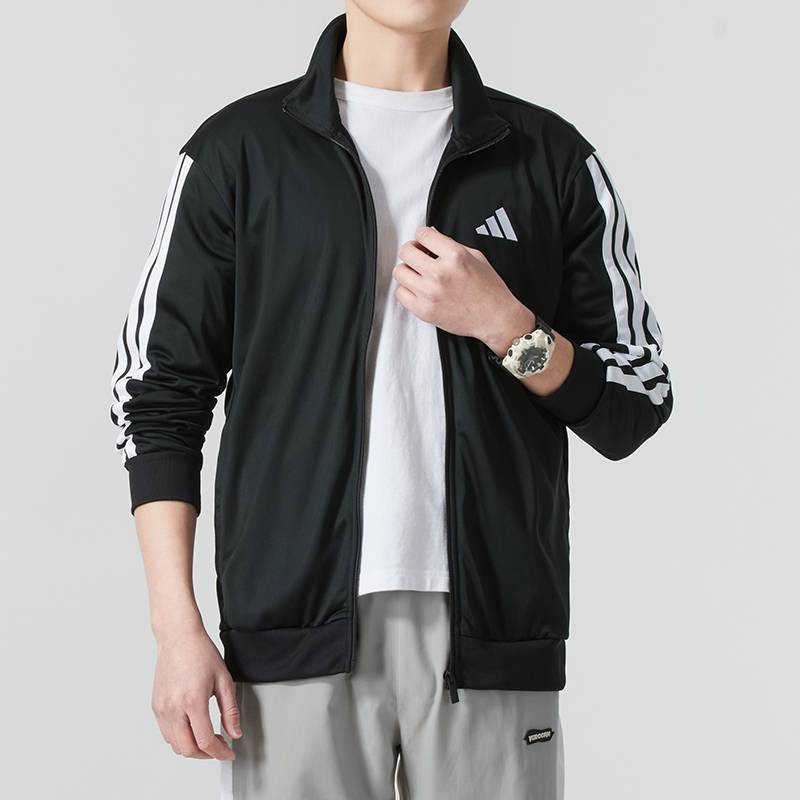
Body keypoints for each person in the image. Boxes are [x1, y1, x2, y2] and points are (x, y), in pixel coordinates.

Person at [109, 1, 673, 797]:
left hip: (491, 637)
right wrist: (176, 628)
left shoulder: (548, 158)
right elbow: (158, 394)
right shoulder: (239, 153)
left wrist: (508, 325)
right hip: (294, 631)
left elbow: (635, 399)